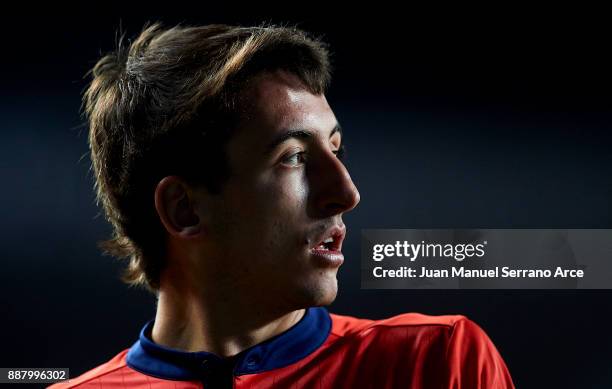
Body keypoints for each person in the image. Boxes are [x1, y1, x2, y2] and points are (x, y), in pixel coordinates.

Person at [50, 23, 515, 389]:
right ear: (184, 209)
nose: (346, 194)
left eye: (337, 149)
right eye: (293, 157)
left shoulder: (435, 362)